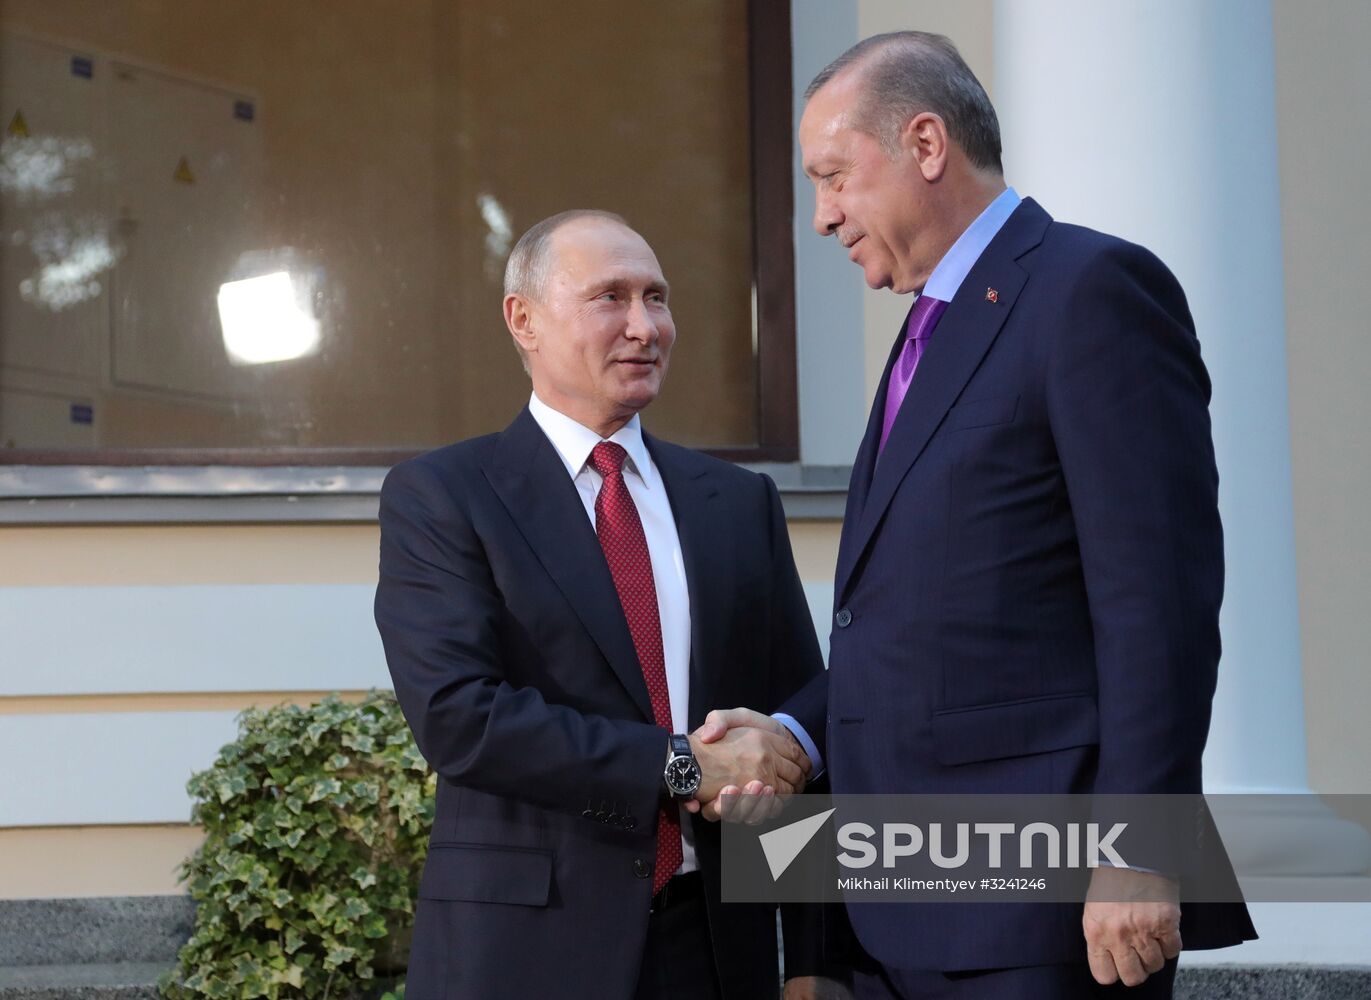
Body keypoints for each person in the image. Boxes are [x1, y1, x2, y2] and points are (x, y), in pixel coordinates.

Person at [693, 32, 1256, 999]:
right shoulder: (926, 333)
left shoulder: (1089, 294)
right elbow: (920, 624)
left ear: (923, 144)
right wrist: (795, 729)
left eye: (832, 177)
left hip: (1046, 914)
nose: (821, 216)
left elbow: (1155, 605)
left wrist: (1139, 848)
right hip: (901, 905)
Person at [375, 209, 843, 999]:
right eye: (610, 298)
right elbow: (461, 718)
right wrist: (680, 764)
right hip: (524, 953)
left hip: (713, 950)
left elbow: (794, 728)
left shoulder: (737, 502)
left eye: (656, 298)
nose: (644, 326)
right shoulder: (444, 496)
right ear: (523, 319)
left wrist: (812, 960)